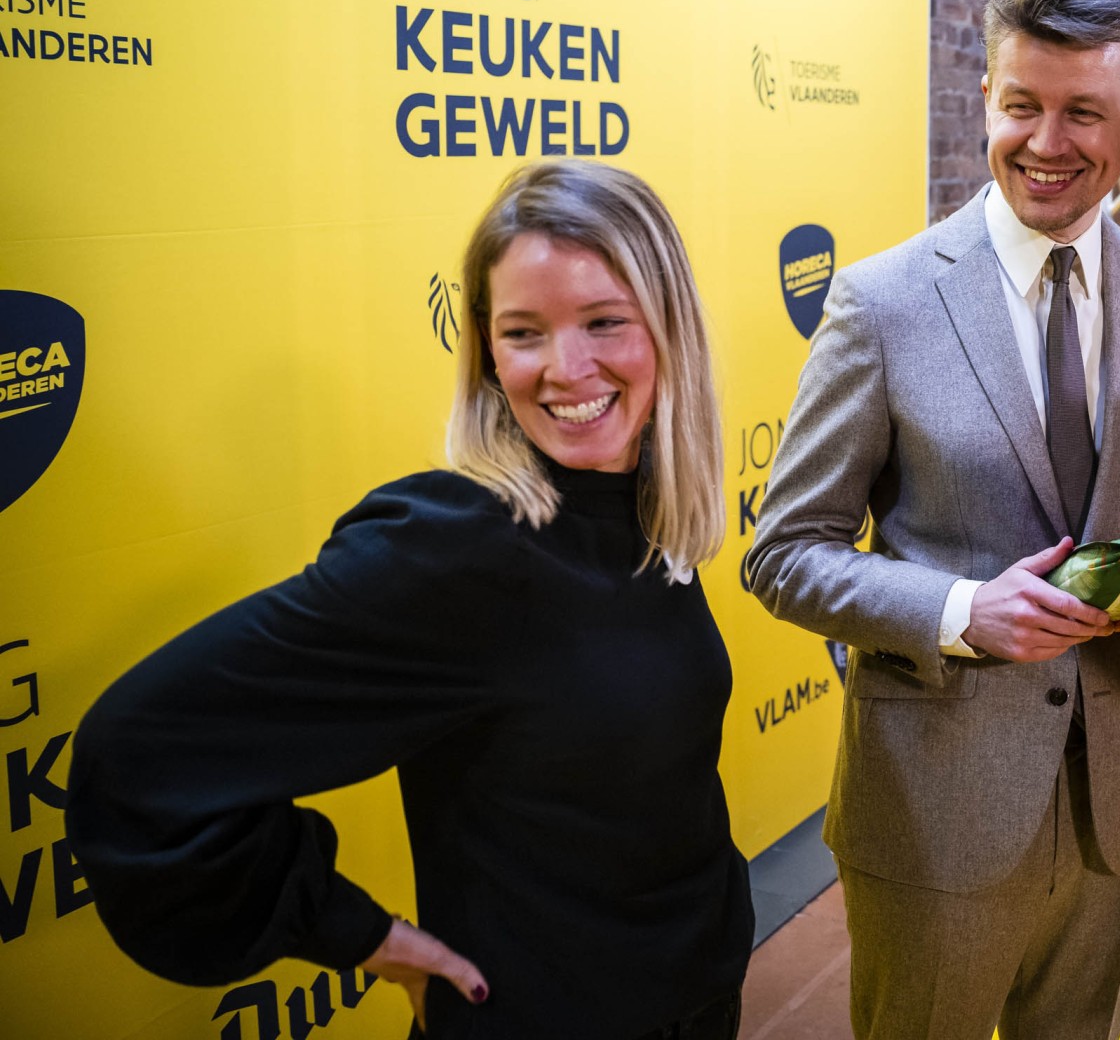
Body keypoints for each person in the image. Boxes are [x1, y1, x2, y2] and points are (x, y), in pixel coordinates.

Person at [66, 160, 753, 1039]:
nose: (566, 368)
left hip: (700, 989)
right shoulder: (454, 547)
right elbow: (138, 757)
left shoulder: (646, 501)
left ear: (668, 326)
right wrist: (356, 934)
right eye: (524, 332)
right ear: (486, 349)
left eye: (604, 322)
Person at [746, 0, 1120, 1040]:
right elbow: (784, 553)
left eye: (1082, 112)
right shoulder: (882, 304)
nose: (1045, 142)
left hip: (1118, 811)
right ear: (985, 99)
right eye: (1021, 106)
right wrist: (966, 613)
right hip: (934, 814)